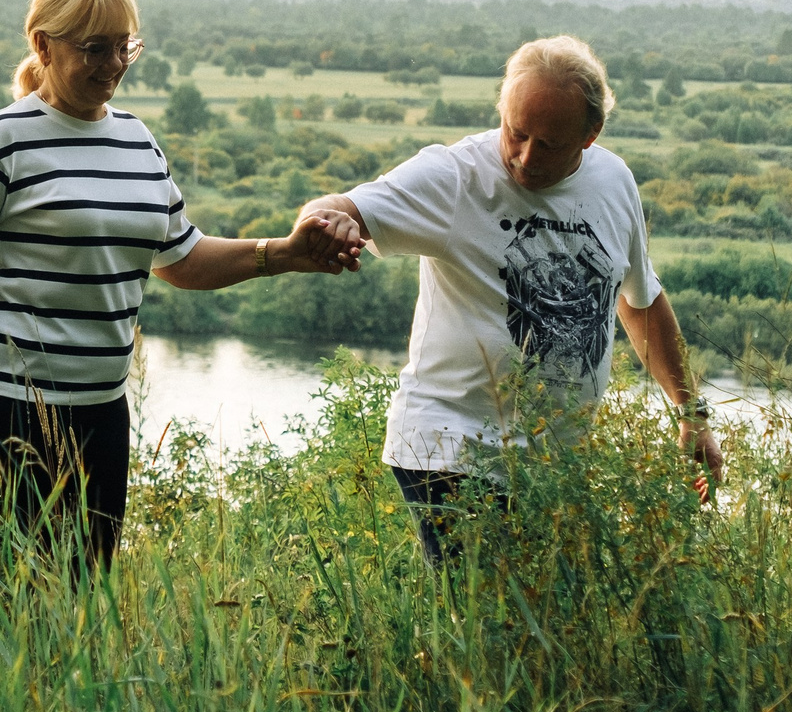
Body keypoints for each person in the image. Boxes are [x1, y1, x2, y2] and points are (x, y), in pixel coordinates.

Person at [0, 0, 365, 566]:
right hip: (5, 401)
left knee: (88, 586)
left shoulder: (139, 143)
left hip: (101, 404)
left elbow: (182, 257)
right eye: (95, 49)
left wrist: (288, 253)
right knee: (15, 586)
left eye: (125, 48)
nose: (114, 65)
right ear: (43, 44)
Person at [298, 35, 723, 563]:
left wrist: (692, 412)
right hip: (451, 448)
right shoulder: (455, 177)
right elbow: (339, 205)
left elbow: (639, 301)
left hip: (557, 462)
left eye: (547, 144)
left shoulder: (614, 182)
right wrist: (327, 220)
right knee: (500, 614)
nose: (523, 157)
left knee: (557, 620)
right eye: (515, 132)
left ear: (590, 136)